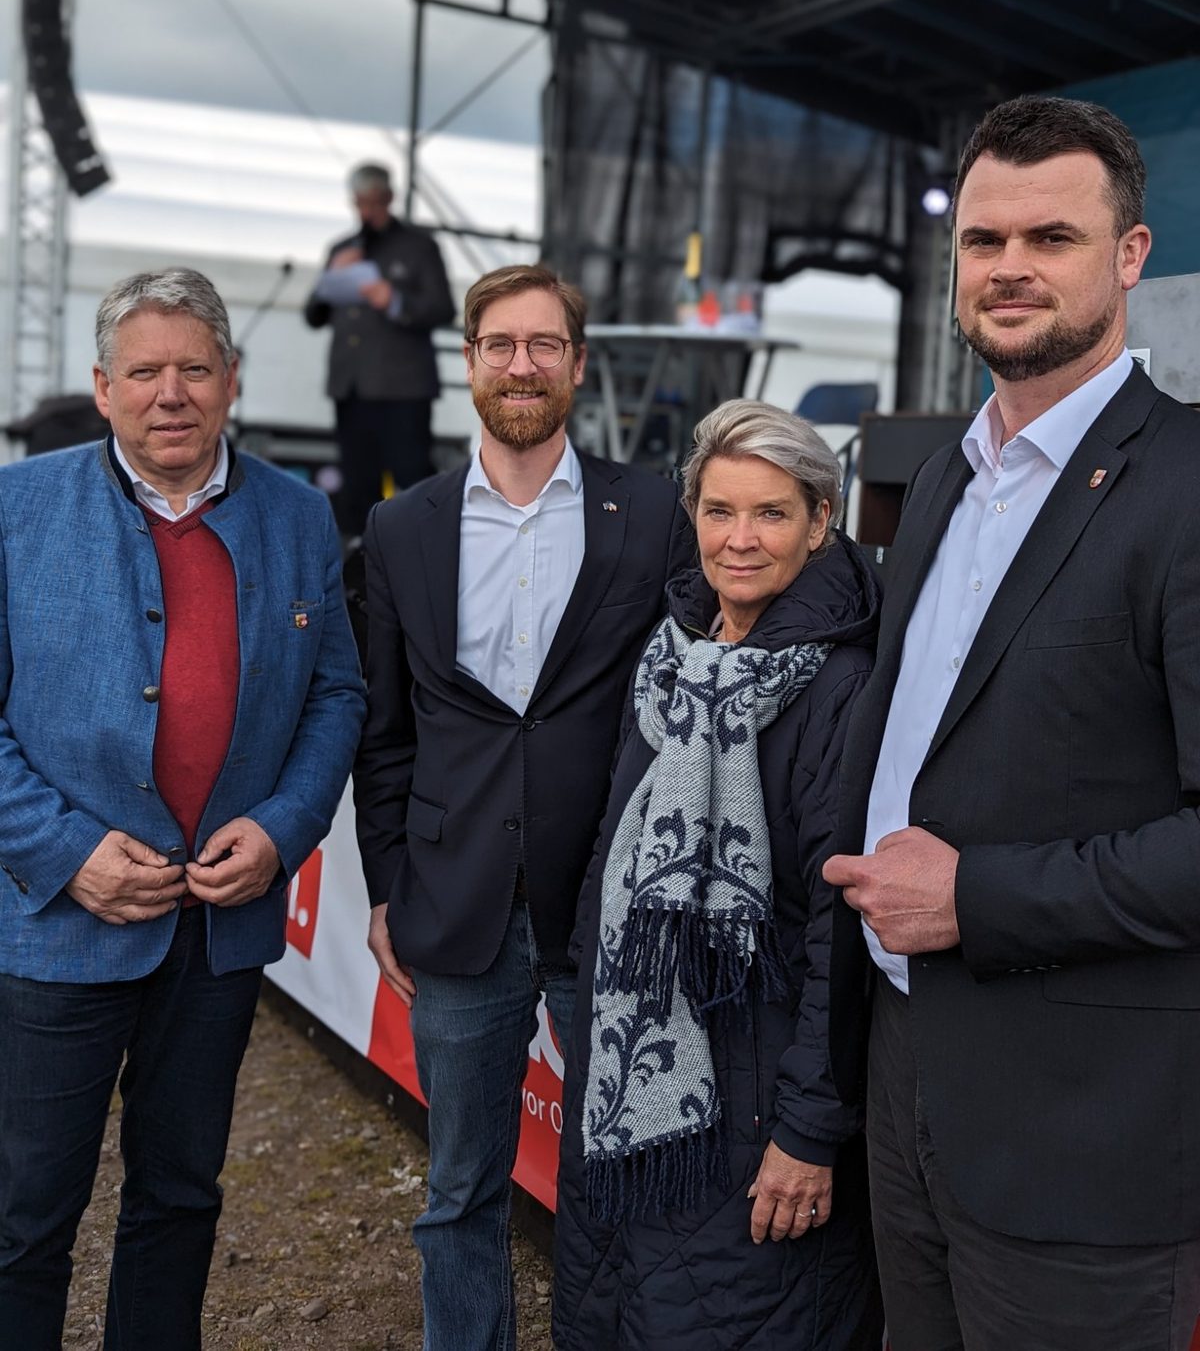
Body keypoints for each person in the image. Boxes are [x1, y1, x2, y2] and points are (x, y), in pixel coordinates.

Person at [824, 95, 1200, 1351]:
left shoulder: (1187, 488)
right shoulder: (944, 479)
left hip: (1083, 1140)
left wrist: (974, 899)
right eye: (985, 240)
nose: (1011, 267)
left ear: (1130, 255)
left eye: (1052, 237)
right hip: (905, 1084)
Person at [0, 268, 366, 1351]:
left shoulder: (299, 516)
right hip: (58, 926)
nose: (172, 393)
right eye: (146, 371)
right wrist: (68, 852)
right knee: (25, 1212)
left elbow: (337, 693)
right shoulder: (16, 509)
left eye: (195, 369)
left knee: (180, 1196)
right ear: (102, 387)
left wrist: (285, 826)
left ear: (232, 379)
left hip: (217, 931)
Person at [354, 263, 691, 1351]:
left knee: (620, 1178)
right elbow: (386, 731)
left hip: (609, 901)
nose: (522, 365)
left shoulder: (654, 510)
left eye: (545, 345)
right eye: (500, 344)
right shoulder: (401, 528)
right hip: (458, 905)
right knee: (459, 1189)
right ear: (468, 362)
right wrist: (386, 888)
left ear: (578, 365)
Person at [554, 399, 884, 1351]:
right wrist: (585, 1002)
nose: (740, 539)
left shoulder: (840, 686)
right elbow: (612, 854)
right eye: (719, 511)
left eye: (772, 513)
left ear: (821, 522)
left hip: (757, 1102)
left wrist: (808, 1130)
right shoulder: (673, 656)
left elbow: (840, 933)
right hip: (632, 1071)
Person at [305, 161, 455, 535]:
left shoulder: (419, 247)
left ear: (389, 198)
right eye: (360, 202)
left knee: (412, 475)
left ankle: (426, 549)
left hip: (402, 387)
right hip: (352, 385)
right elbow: (314, 315)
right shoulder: (343, 248)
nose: (367, 211)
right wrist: (331, 276)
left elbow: (443, 309)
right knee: (356, 481)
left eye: (374, 201)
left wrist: (395, 301)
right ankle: (360, 556)